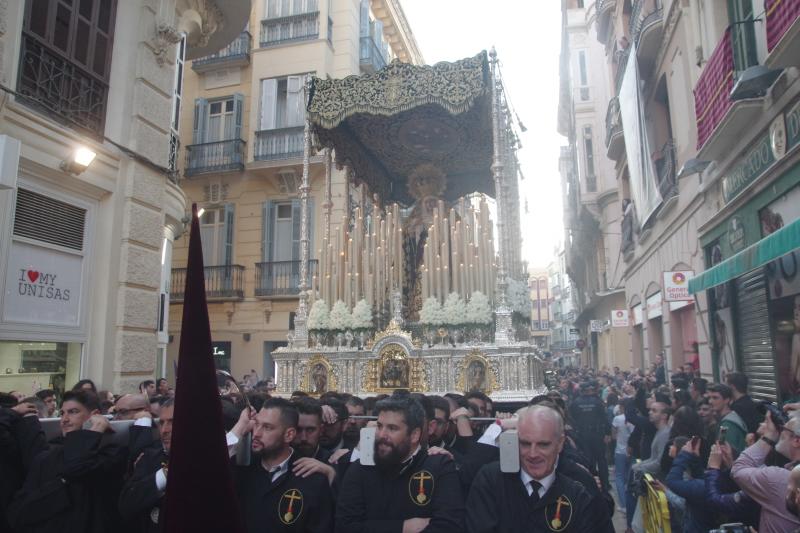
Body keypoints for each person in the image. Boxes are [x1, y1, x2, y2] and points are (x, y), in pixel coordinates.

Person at [336, 393, 464, 532]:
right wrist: (403, 527)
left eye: (392, 428)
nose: (382, 435)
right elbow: (345, 527)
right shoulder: (360, 468)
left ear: (414, 435)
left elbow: (449, 526)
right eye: (379, 426)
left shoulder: (439, 466)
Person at [465, 405, 601, 532]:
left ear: (560, 444)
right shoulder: (491, 481)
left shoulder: (578, 489)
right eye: (525, 444)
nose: (533, 454)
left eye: (543, 445)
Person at [8, 390, 127, 533]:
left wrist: (92, 432)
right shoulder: (47, 455)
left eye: (73, 412)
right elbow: (18, 511)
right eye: (62, 413)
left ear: (94, 416)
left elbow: (76, 466)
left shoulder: (111, 452)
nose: (64, 419)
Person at [233, 398, 335, 533]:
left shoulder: (311, 478)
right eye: (256, 424)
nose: (257, 433)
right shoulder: (242, 468)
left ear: (289, 435)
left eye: (267, 427)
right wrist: (239, 428)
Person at [732, 412, 800, 533]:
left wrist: (768, 436)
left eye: (784, 428)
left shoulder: (778, 478)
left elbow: (738, 470)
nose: (781, 432)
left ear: (796, 440)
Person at [118, 399, 175, 533]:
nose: (164, 430)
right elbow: (126, 504)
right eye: (161, 422)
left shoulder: (210, 460)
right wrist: (165, 474)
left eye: (172, 422)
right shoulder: (150, 458)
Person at [568, 381, 611, 489]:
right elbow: (605, 418)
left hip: (582, 435)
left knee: (588, 459)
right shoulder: (597, 402)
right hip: (597, 434)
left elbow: (571, 419)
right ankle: (605, 483)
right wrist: (607, 433)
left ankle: (592, 482)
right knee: (601, 460)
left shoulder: (575, 403)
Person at [708, 384, 747, 453]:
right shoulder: (730, 418)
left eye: (715, 398)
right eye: (709, 398)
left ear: (726, 400)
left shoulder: (727, 425)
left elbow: (723, 451)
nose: (710, 401)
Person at [612, 400, 633, 511]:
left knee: (619, 477)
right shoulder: (635, 419)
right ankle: (630, 503)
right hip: (632, 451)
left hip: (620, 450)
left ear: (621, 407)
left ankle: (624, 505)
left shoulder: (617, 419)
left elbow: (614, 436)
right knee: (629, 477)